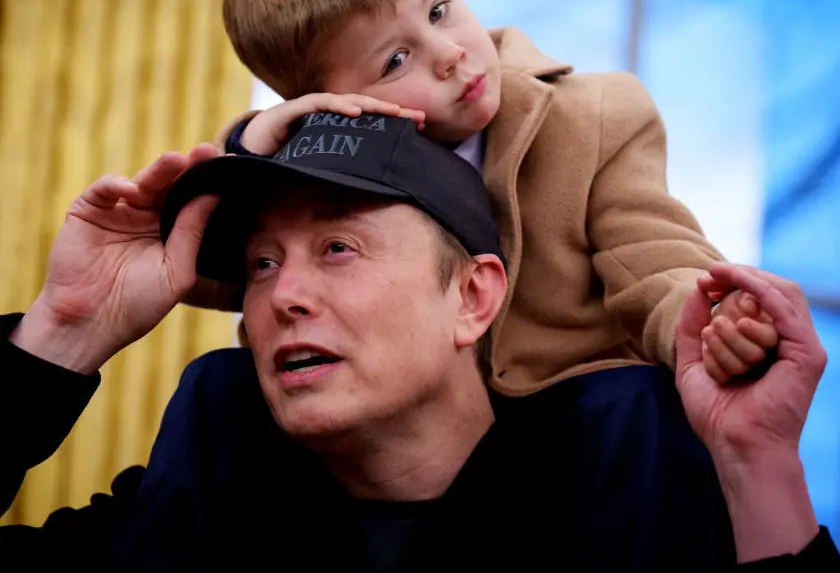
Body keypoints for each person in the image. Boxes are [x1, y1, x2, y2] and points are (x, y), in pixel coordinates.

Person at [0, 117, 837, 571]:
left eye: (339, 248)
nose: (283, 295)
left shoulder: (626, 470)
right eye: (261, 263)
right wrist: (65, 331)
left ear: (473, 297)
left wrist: (757, 463)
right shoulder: (204, 484)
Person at [212, 0, 779, 396]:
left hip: (564, 407)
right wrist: (251, 149)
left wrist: (709, 316)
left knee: (637, 401)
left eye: (439, 10)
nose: (449, 53)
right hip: (404, 428)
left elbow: (655, 257)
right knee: (225, 387)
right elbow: (215, 273)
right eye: (396, 60)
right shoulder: (314, 172)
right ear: (333, 103)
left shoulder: (592, 117)